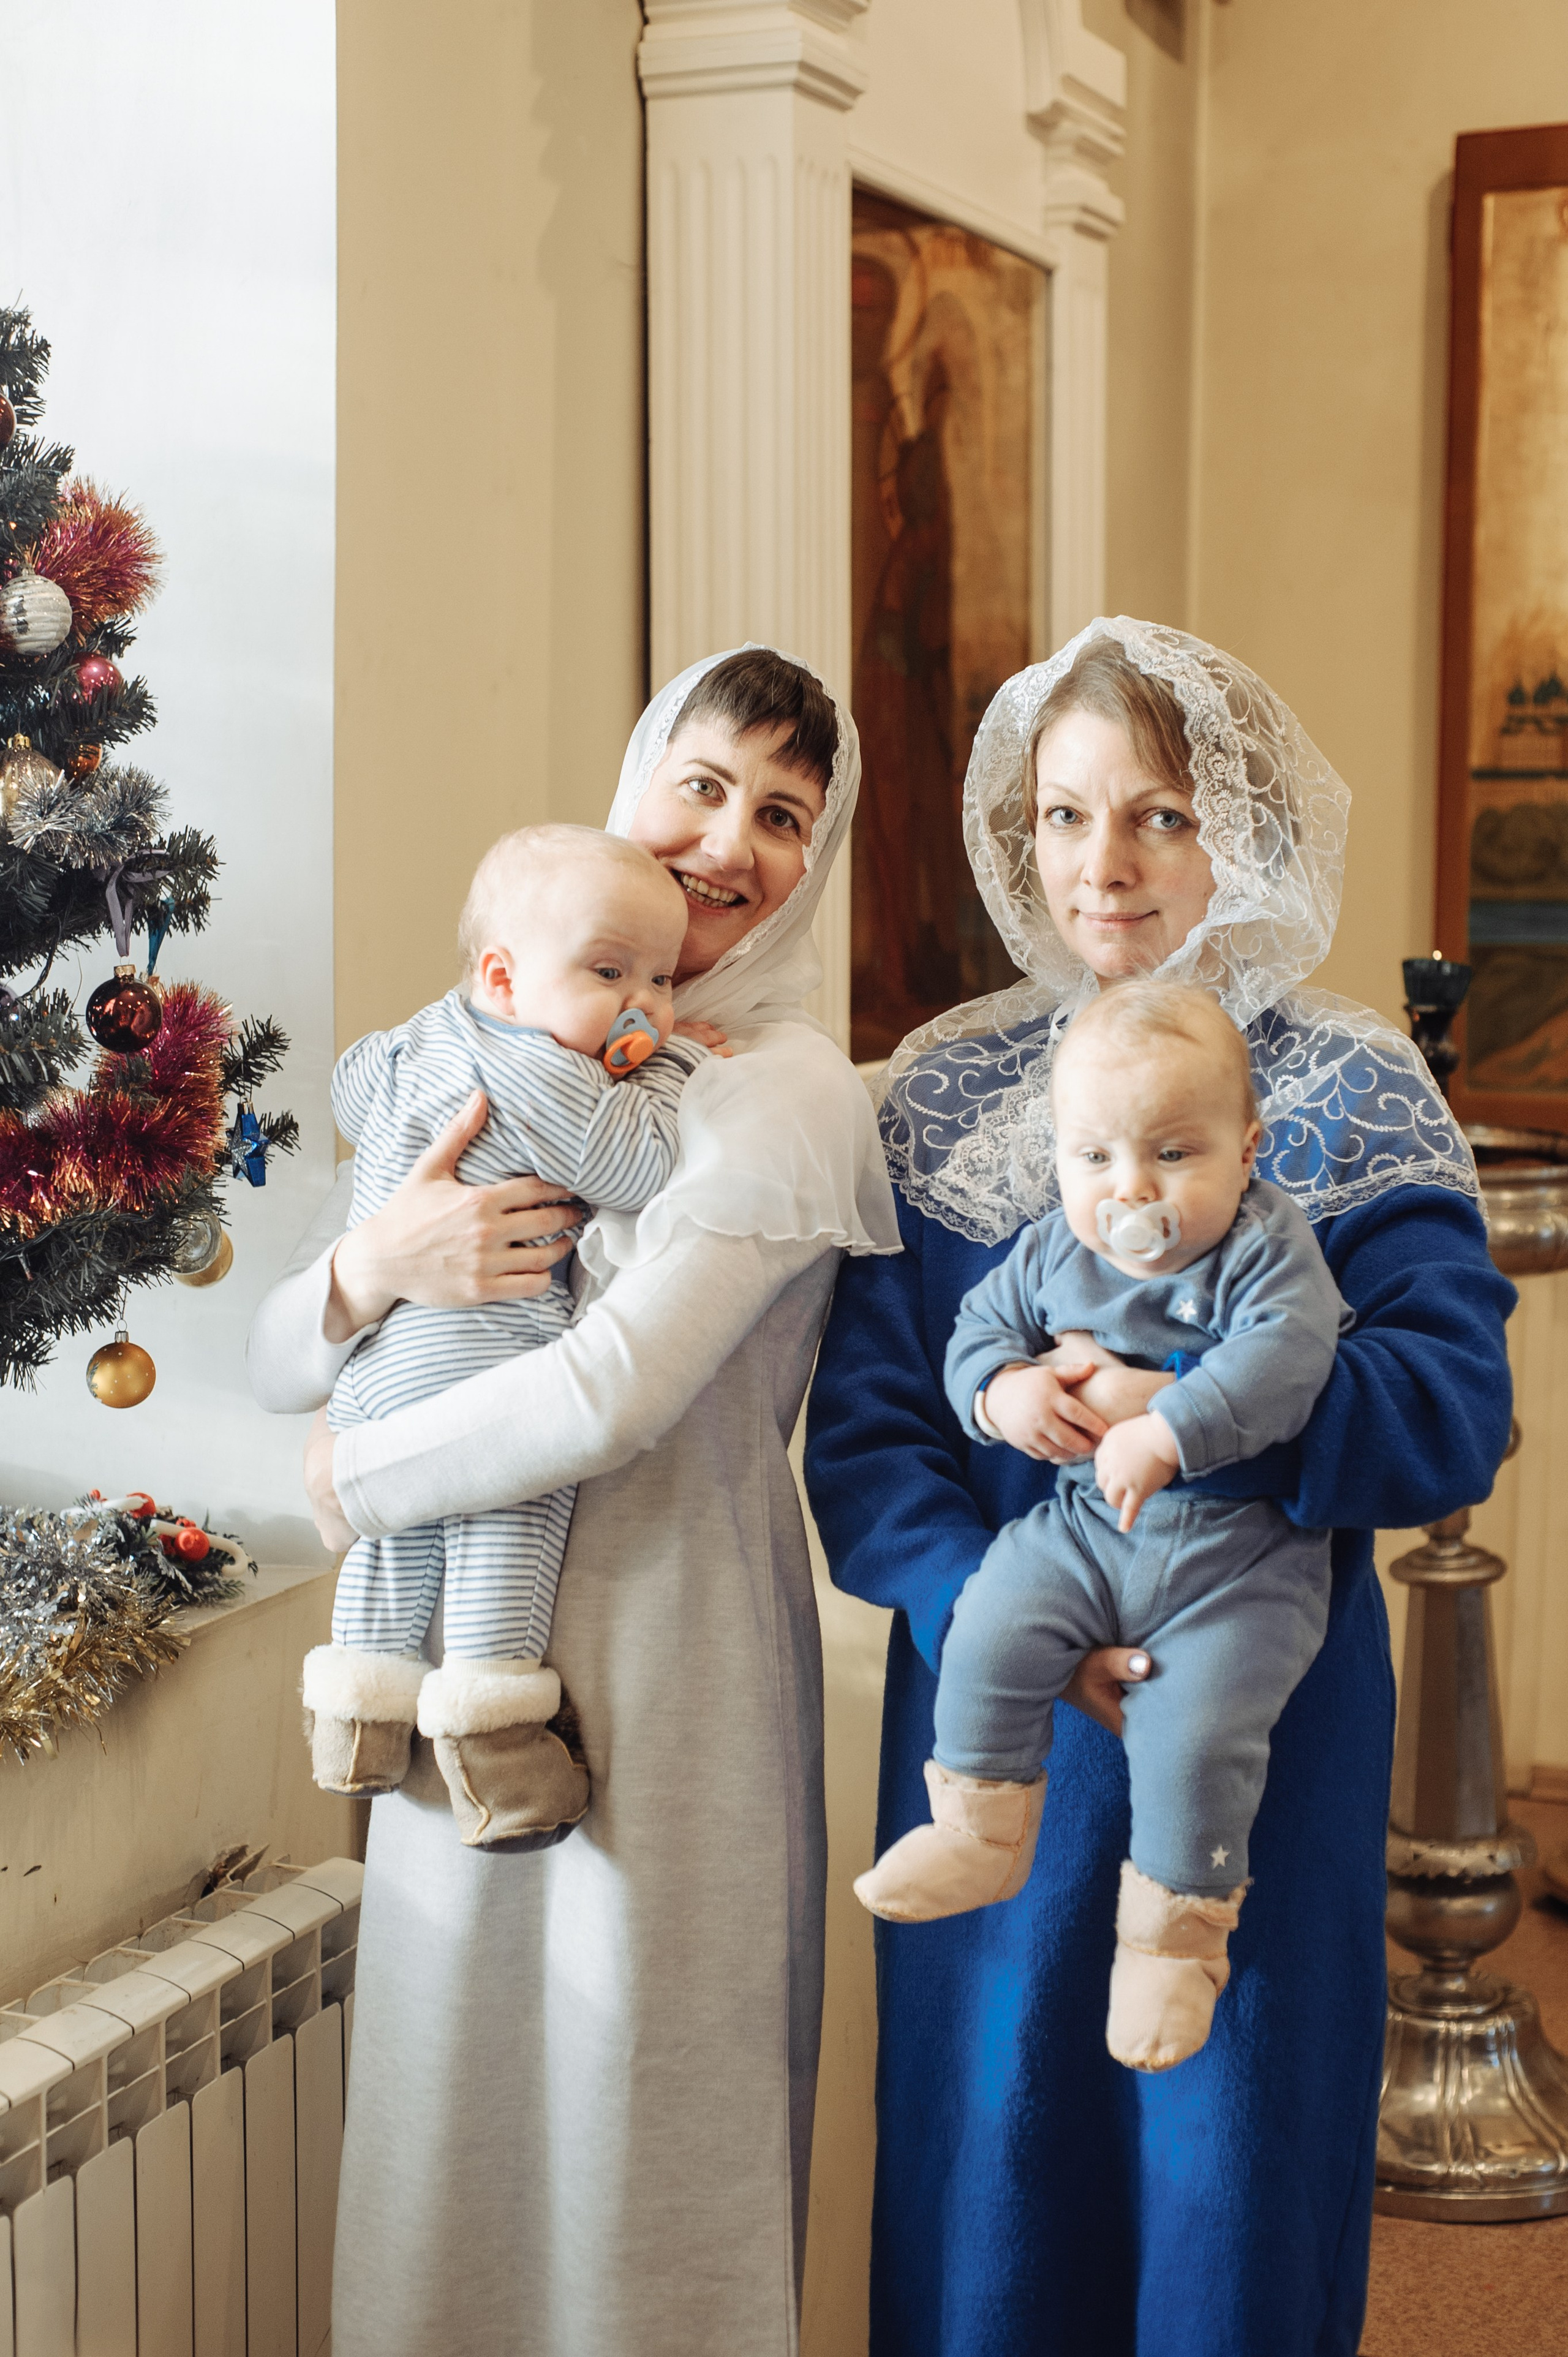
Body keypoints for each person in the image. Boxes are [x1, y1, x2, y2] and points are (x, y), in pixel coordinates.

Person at [804, 619, 1516, 2357]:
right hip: (998, 1713)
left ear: (1241, 832)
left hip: (1261, 1716)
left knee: (1228, 2189)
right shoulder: (940, 1093)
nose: (1102, 864)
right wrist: (998, 1615)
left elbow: (1452, 1411)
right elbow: (871, 1434)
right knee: (993, 2179)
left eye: (1159, 815)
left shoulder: (1345, 1093)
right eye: (1063, 815)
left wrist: (1192, 1414)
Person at [247, 645, 900, 2357]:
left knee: (640, 2128)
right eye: (702, 783)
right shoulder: (495, 1027)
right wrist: (374, 1268)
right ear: (633, 785)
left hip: (673, 1657)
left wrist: (353, 1475)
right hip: (463, 1652)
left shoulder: (783, 1090)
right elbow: (275, 1354)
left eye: (785, 815)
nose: (730, 842)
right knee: (452, 2120)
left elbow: (615, 1387)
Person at [854, 981, 1349, 2077]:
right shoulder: (1052, 1250)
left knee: (1198, 1734)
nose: (1131, 1190)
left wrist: (1166, 1422)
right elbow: (979, 1329)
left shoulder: (1268, 1245)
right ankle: (977, 1830)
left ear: (1247, 1148)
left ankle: (1175, 1944)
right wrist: (1004, 1393)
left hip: (1239, 1565)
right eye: (1095, 1158)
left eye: (1173, 1153)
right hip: (1086, 1531)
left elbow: (1288, 1358)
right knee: (992, 1618)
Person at [305, 826, 706, 1847]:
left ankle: (356, 1726)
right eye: (609, 973)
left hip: (377, 1367)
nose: (644, 1007)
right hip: (481, 1361)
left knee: (396, 1544)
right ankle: (498, 1750)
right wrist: (671, 1071)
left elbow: (351, 1083)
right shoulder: (550, 1073)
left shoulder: (419, 1038)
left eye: (661, 980)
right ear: (503, 977)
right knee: (504, 1530)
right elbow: (638, 1167)